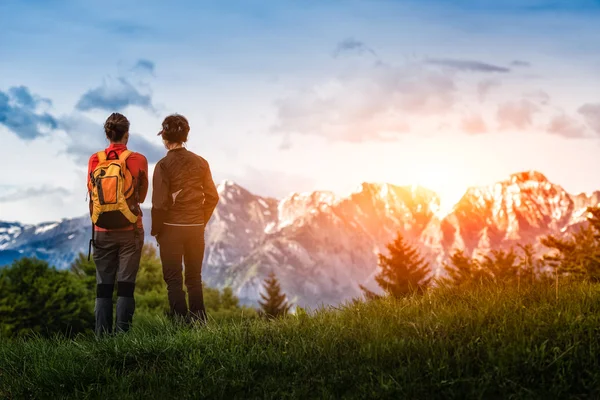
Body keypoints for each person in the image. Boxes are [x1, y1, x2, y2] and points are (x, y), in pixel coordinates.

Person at [151, 114, 219, 323]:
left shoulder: (162, 165)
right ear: (186, 136)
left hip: (171, 229)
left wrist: (156, 230)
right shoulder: (201, 163)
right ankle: (200, 322)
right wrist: (201, 220)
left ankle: (180, 325)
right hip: (195, 228)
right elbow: (213, 197)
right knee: (193, 279)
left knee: (173, 280)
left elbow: (160, 203)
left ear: (165, 138)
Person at [87, 113, 148, 335]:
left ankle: (101, 338)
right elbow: (141, 196)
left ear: (107, 134)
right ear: (127, 135)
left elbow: (91, 192)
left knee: (103, 288)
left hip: (101, 230)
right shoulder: (138, 159)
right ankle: (122, 337)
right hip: (130, 230)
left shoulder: (95, 160)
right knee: (125, 286)